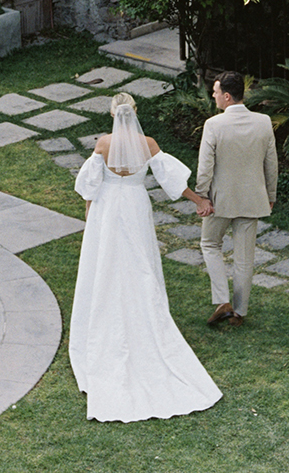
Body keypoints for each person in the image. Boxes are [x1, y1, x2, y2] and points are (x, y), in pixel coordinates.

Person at [69, 91, 223, 423]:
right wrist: (198, 200)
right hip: (135, 205)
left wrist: (89, 218)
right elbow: (171, 179)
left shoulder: (103, 144)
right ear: (135, 112)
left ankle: (107, 316)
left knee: (107, 263)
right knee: (140, 263)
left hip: (108, 208)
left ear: (113, 114)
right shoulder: (148, 144)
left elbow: (90, 186)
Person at [197, 70, 279, 329]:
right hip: (253, 197)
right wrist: (271, 194)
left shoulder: (213, 125)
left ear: (227, 96)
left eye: (215, 92)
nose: (213, 95)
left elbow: (205, 167)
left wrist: (202, 196)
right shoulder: (263, 122)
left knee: (210, 244)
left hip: (220, 200)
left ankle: (223, 301)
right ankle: (239, 312)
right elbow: (271, 164)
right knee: (245, 257)